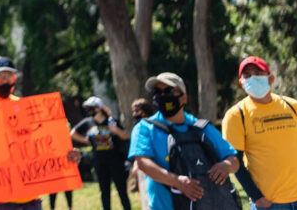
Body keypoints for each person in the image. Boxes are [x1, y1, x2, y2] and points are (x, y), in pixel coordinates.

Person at [0, 56, 80, 210]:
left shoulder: (29, 110)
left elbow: (43, 148)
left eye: (8, 75)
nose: (4, 80)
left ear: (15, 78)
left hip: (31, 200)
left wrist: (67, 158)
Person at [221, 56, 297, 210]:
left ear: (270, 78)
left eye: (258, 73)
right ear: (241, 83)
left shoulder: (292, 106)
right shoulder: (236, 115)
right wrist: (257, 198)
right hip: (269, 204)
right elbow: (236, 161)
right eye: (247, 75)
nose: (252, 78)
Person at [128, 72, 239, 210]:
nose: (163, 96)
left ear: (184, 97)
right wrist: (177, 182)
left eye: (169, 91)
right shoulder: (144, 128)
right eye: (157, 92)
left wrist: (226, 165)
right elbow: (143, 163)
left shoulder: (201, 127)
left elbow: (234, 160)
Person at [71, 96, 130, 210]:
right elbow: (72, 133)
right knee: (104, 191)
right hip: (100, 162)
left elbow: (126, 135)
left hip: (115, 161)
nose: (89, 111)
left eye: (91, 108)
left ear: (99, 108)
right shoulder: (88, 122)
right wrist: (86, 140)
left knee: (122, 191)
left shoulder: (111, 120)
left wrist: (115, 130)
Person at [128, 98, 156, 210]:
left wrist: (137, 164)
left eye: (136, 111)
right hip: (147, 165)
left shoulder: (143, 127)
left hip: (150, 166)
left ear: (144, 111)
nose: (134, 114)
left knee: (148, 199)